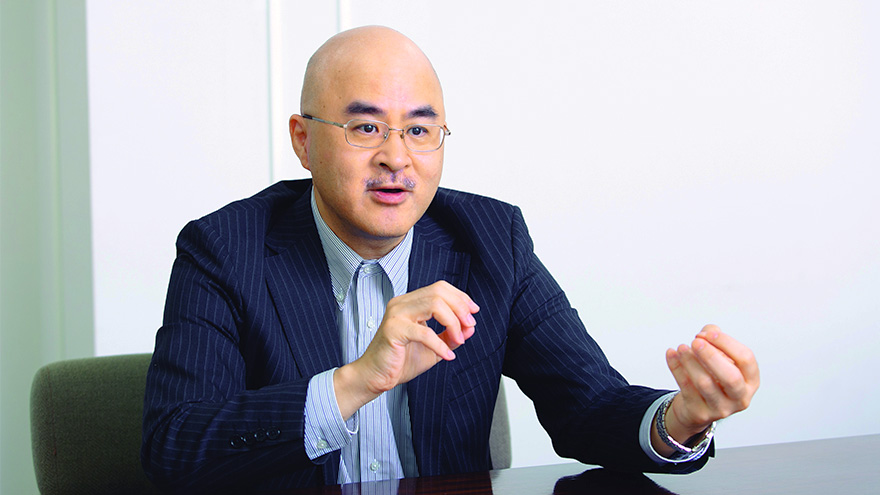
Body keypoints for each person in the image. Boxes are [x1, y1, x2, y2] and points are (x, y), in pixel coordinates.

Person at [142, 26, 759, 493]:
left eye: (419, 130)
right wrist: (357, 380)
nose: (396, 158)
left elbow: (588, 407)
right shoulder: (223, 249)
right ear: (303, 141)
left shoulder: (491, 240)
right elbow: (173, 447)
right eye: (365, 129)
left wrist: (678, 420)